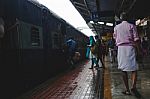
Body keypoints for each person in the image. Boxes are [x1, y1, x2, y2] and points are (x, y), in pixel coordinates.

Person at [113, 12, 140, 95]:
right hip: (130, 48)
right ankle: (133, 87)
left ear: (121, 19)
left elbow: (115, 38)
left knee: (123, 69)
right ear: (128, 18)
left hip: (121, 49)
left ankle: (127, 90)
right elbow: (136, 40)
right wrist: (138, 50)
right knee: (134, 69)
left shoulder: (116, 27)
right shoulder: (132, 26)